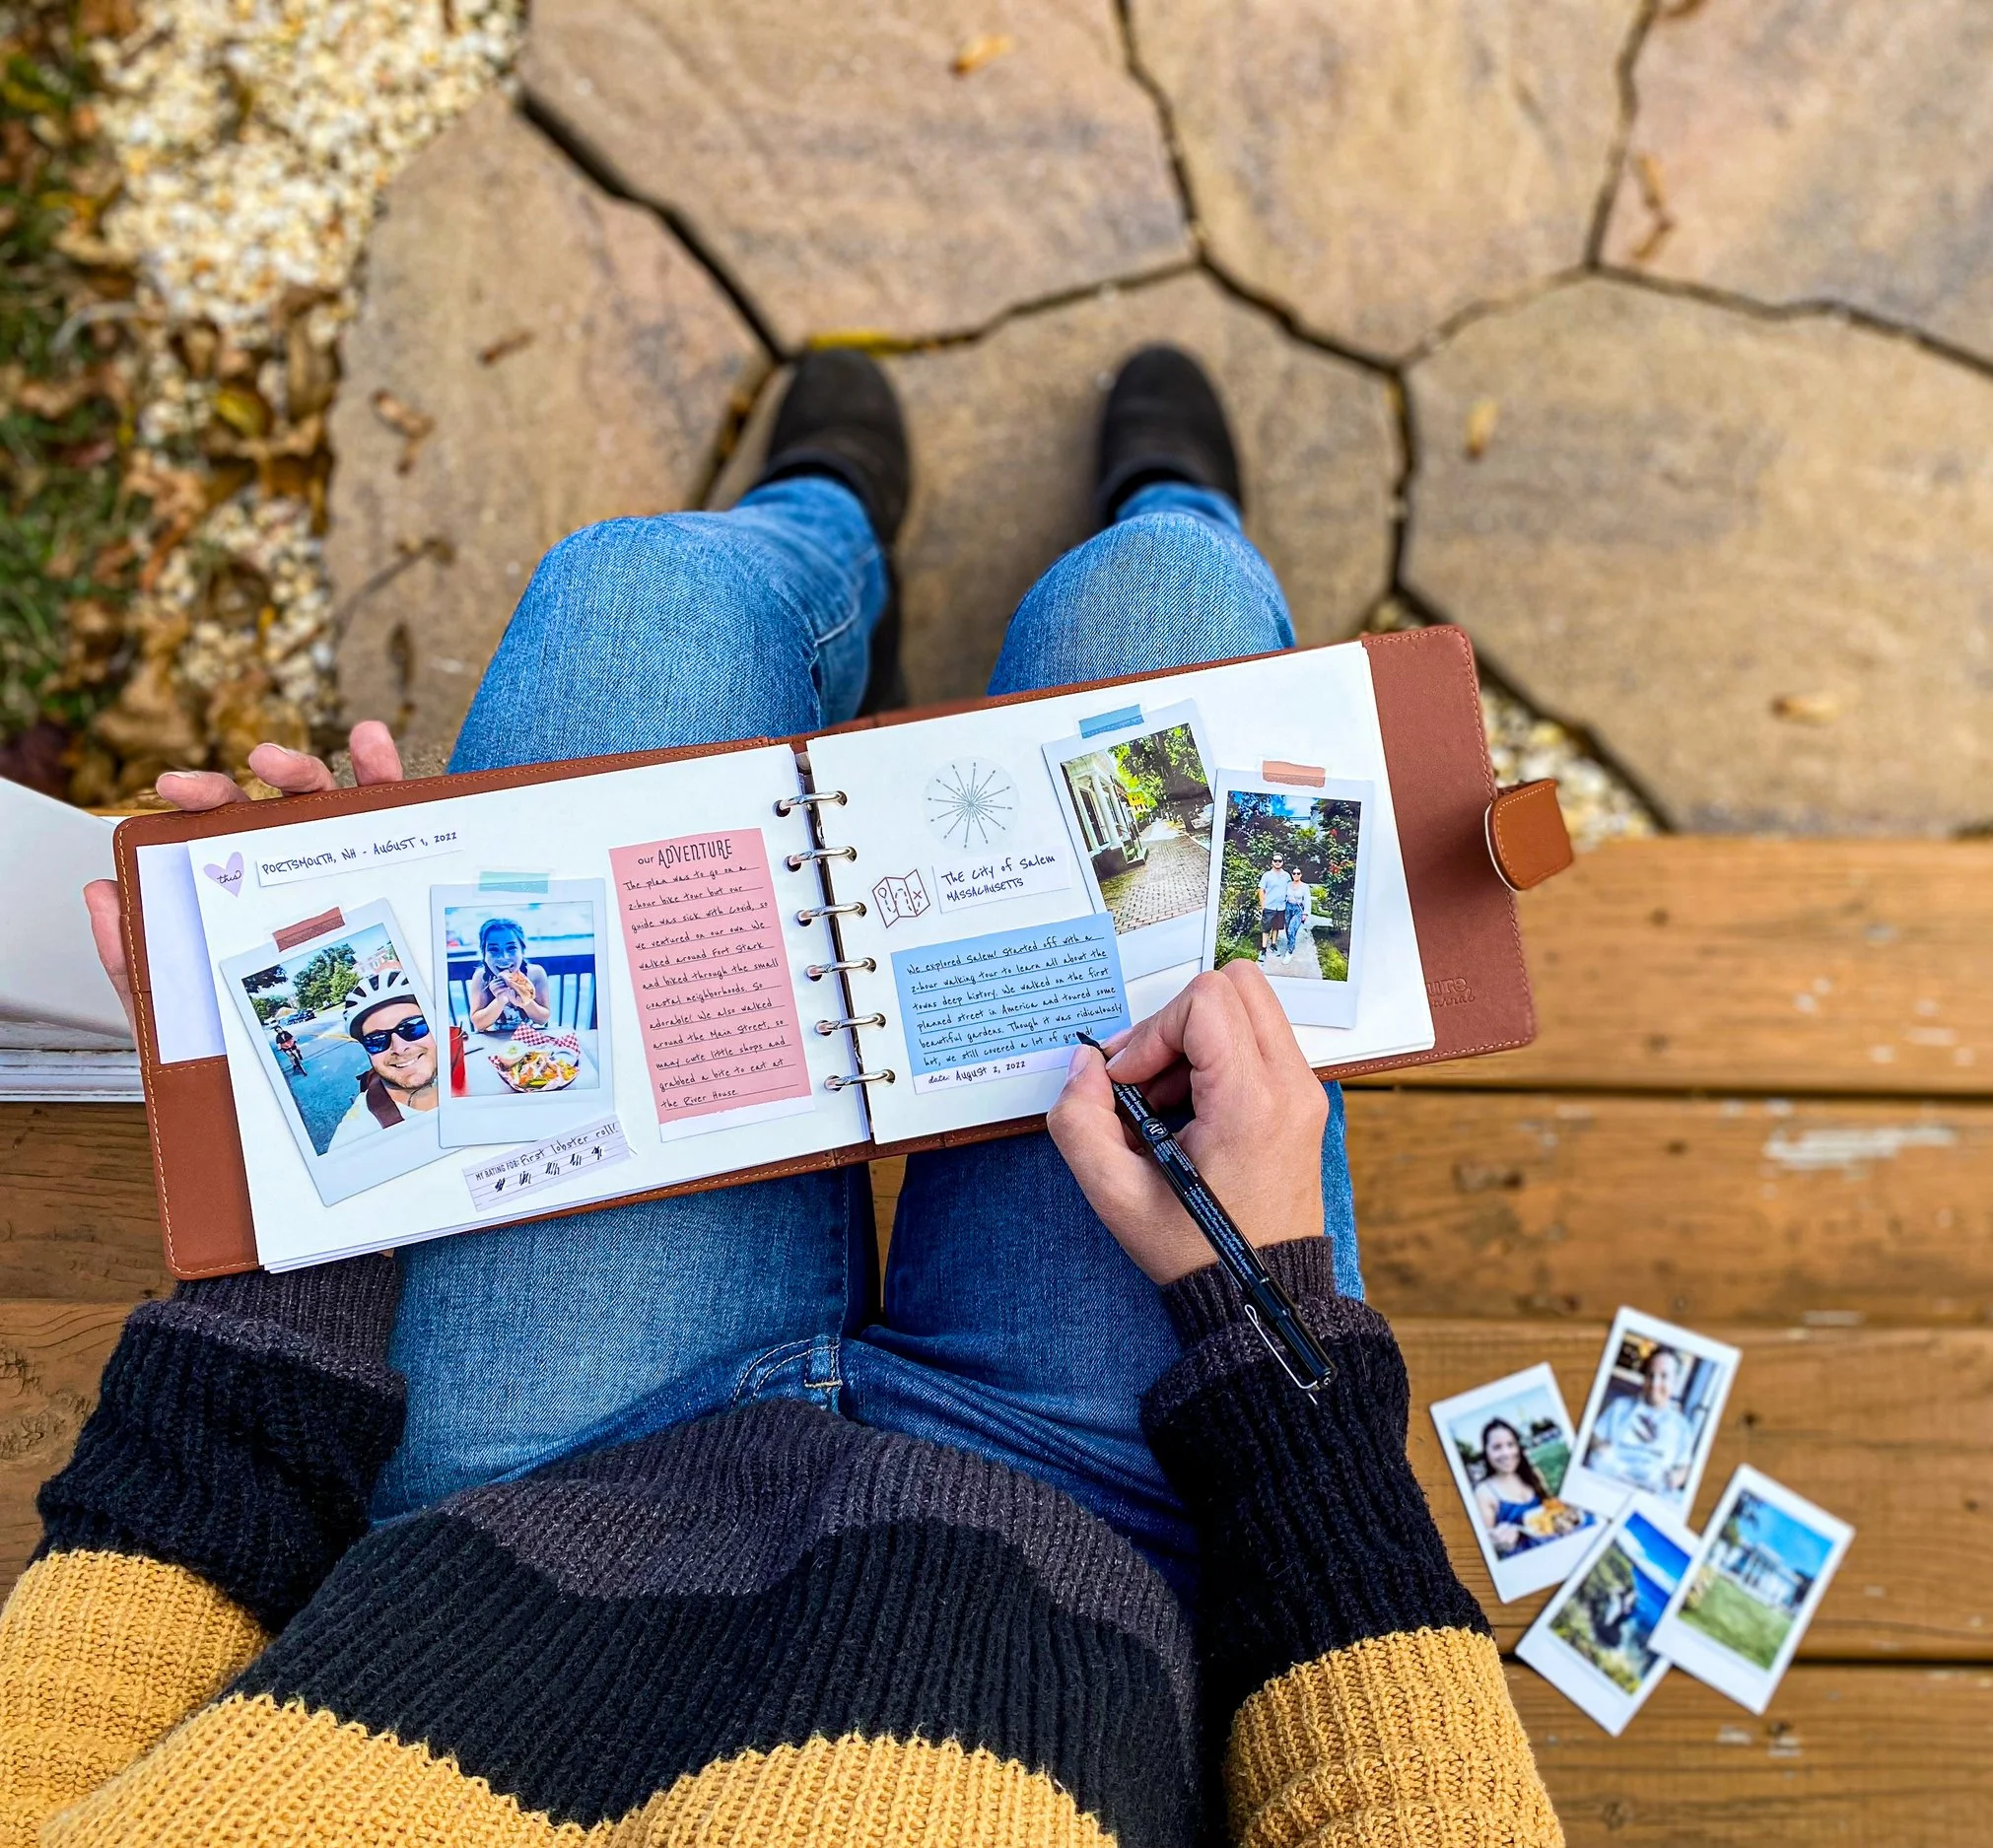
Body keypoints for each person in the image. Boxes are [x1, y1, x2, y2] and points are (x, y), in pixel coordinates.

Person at [10, 346, 1562, 1846]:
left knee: (637, 589)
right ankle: (1167, 502)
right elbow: (1406, 1788)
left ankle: (828, 517)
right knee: (1166, 605)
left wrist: (328, 1146)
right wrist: (1258, 1299)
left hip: (517, 1496)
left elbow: (108, 1649)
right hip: (1094, 1542)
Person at [324, 968, 440, 1147]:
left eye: (412, 1027)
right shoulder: (356, 1138)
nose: (400, 1048)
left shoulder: (479, 1068)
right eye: (377, 1040)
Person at [1600, 1344, 1701, 1498]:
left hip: (1651, 1494)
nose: (1654, 1384)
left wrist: (1677, 1477)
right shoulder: (1620, 1406)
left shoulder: (1682, 1426)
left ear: (1674, 1382)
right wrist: (1600, 1447)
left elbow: (1684, 1466)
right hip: (1613, 1484)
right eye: (1650, 1375)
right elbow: (1595, 1436)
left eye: (1664, 1376)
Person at [1474, 1415, 1559, 1557]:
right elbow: (1486, 1544)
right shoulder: (1484, 1492)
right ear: (1486, 1452)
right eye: (1497, 1447)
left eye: (1511, 1444)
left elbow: (1550, 1508)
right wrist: (1497, 1542)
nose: (1506, 1453)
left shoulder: (1532, 1474)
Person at [465, 915, 552, 1036]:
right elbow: (478, 1024)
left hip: (532, 1040)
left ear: (522, 951)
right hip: (493, 1042)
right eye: (494, 950)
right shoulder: (481, 977)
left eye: (511, 948)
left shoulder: (536, 974)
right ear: (484, 953)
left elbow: (543, 1019)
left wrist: (525, 1001)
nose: (504, 957)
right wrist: (500, 1001)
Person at [1257, 850, 1290, 957]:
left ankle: (1274, 945)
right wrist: (1263, 906)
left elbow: (1290, 889)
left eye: (1279, 861)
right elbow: (1261, 890)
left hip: (1281, 907)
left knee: (1276, 927)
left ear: (1282, 862)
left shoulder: (1287, 876)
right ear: (1272, 862)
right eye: (1275, 860)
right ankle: (1263, 949)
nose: (1277, 863)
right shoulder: (1267, 875)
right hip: (1269, 906)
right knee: (1266, 928)